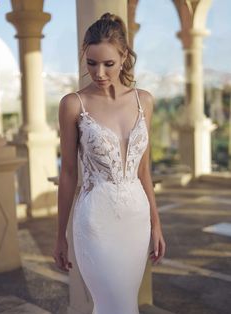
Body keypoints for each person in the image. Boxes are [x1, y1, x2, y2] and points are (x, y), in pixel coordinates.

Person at [53, 12, 166, 314]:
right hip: (95, 221)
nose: (99, 72)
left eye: (108, 64)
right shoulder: (73, 104)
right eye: (91, 63)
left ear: (124, 56)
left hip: (136, 219)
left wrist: (156, 223)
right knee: (110, 303)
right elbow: (67, 174)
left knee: (127, 303)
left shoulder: (145, 101)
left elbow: (143, 170)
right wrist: (60, 235)